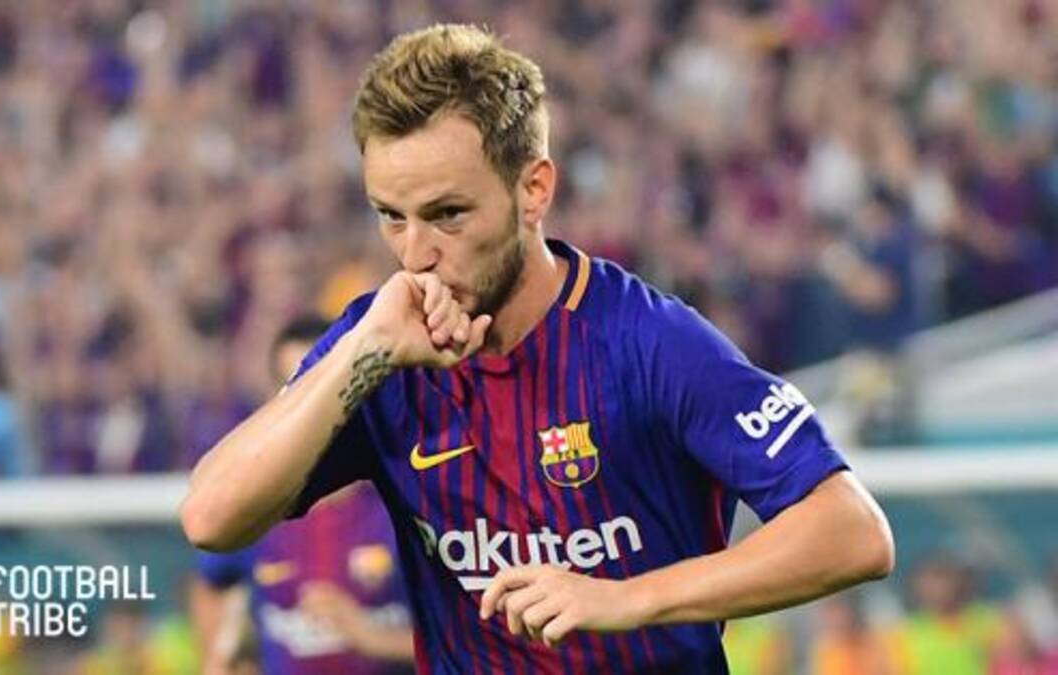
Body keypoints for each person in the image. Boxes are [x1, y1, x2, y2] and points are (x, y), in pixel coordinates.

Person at [182, 23, 894, 673]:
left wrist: (627, 597)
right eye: (391, 217)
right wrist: (365, 348)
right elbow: (211, 518)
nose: (415, 253)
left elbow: (854, 532)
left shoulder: (648, 340)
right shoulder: (384, 340)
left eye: (447, 214)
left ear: (533, 190)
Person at [190, 315, 414, 675]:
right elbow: (211, 583)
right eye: (295, 386)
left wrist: (372, 637)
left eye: (324, 383)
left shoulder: (403, 497)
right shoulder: (258, 506)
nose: (313, 404)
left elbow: (466, 636)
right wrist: (219, 655)